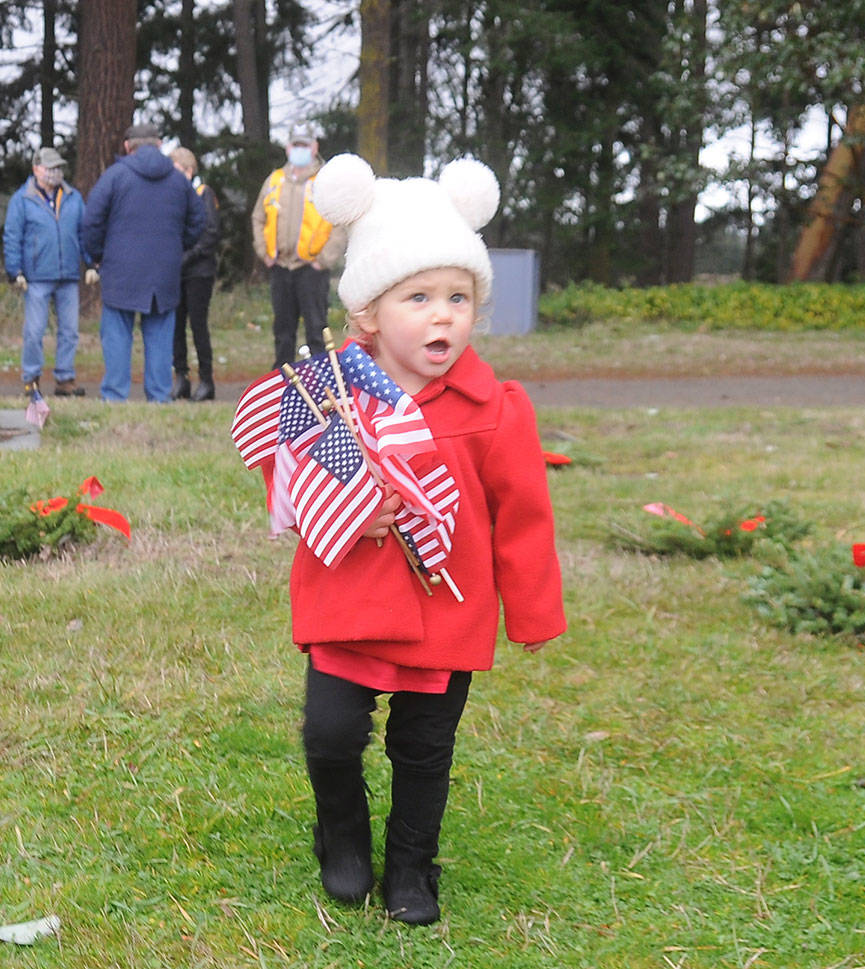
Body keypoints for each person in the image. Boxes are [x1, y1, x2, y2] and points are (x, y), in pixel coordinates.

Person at [249, 153, 565, 924]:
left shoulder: (496, 405)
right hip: (346, 595)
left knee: (424, 749)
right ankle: (344, 836)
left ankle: (413, 867)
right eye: (418, 296)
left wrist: (531, 611)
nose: (442, 315)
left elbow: (523, 513)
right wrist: (347, 501)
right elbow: (286, 471)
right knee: (330, 733)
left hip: (444, 607)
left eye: (458, 297)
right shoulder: (329, 390)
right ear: (367, 313)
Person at [81, 122, 205, 402]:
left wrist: (98, 256)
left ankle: (114, 397)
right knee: (160, 338)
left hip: (119, 270)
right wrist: (176, 248)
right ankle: (159, 398)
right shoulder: (178, 181)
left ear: (127, 146)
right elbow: (198, 221)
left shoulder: (114, 177)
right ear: (159, 145)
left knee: (116, 337)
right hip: (164, 272)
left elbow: (91, 221)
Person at [251, 121, 348, 369]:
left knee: (317, 329)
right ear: (288, 148)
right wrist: (264, 253)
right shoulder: (275, 180)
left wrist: (324, 260)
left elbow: (339, 222)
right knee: (283, 331)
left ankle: (320, 384)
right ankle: (280, 385)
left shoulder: (325, 180)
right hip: (281, 267)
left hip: (311, 269)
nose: (300, 149)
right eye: (296, 144)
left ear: (315, 147)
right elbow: (258, 217)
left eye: (305, 144)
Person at [4, 146, 95, 399]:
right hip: (36, 277)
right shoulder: (21, 199)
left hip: (68, 275)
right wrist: (15, 271)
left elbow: (83, 233)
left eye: (58, 167)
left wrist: (90, 264)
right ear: (36, 169)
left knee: (70, 331)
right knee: (34, 331)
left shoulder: (73, 197)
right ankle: (31, 379)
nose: (55, 172)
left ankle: (65, 379)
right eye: (50, 167)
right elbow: (13, 237)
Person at [169, 146, 221, 401]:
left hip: (199, 270)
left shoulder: (204, 193)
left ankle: (206, 379)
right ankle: (181, 377)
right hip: (176, 271)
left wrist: (189, 255)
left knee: (198, 325)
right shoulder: (172, 195)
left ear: (189, 170)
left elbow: (211, 232)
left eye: (178, 170)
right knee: (176, 325)